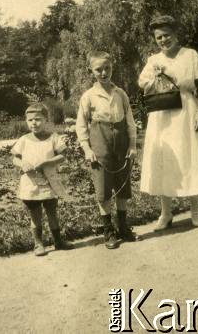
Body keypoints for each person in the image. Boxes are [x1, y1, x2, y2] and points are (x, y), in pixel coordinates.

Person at [139, 15, 198, 230]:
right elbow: (143, 85)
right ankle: (165, 213)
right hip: (162, 114)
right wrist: (157, 77)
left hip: (186, 109)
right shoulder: (153, 60)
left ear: (176, 34)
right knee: (164, 159)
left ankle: (194, 209)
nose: (163, 40)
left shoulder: (190, 55)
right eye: (159, 37)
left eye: (167, 35)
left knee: (189, 157)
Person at [76, 51, 140, 249]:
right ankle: (108, 230)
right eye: (98, 69)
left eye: (107, 68)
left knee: (122, 185)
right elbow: (81, 125)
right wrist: (87, 148)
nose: (103, 73)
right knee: (103, 188)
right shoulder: (88, 96)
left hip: (121, 143)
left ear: (112, 68)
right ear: (91, 71)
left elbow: (129, 121)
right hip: (100, 143)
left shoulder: (120, 94)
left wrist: (132, 145)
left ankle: (123, 226)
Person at [11, 103, 73, 256]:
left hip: (49, 182)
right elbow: (14, 158)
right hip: (31, 183)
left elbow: (62, 156)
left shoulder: (53, 138)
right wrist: (22, 164)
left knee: (52, 211)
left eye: (38, 119)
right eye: (30, 120)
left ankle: (58, 241)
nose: (34, 123)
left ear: (46, 120)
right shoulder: (24, 140)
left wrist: (47, 162)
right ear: (26, 121)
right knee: (35, 214)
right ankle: (38, 243)